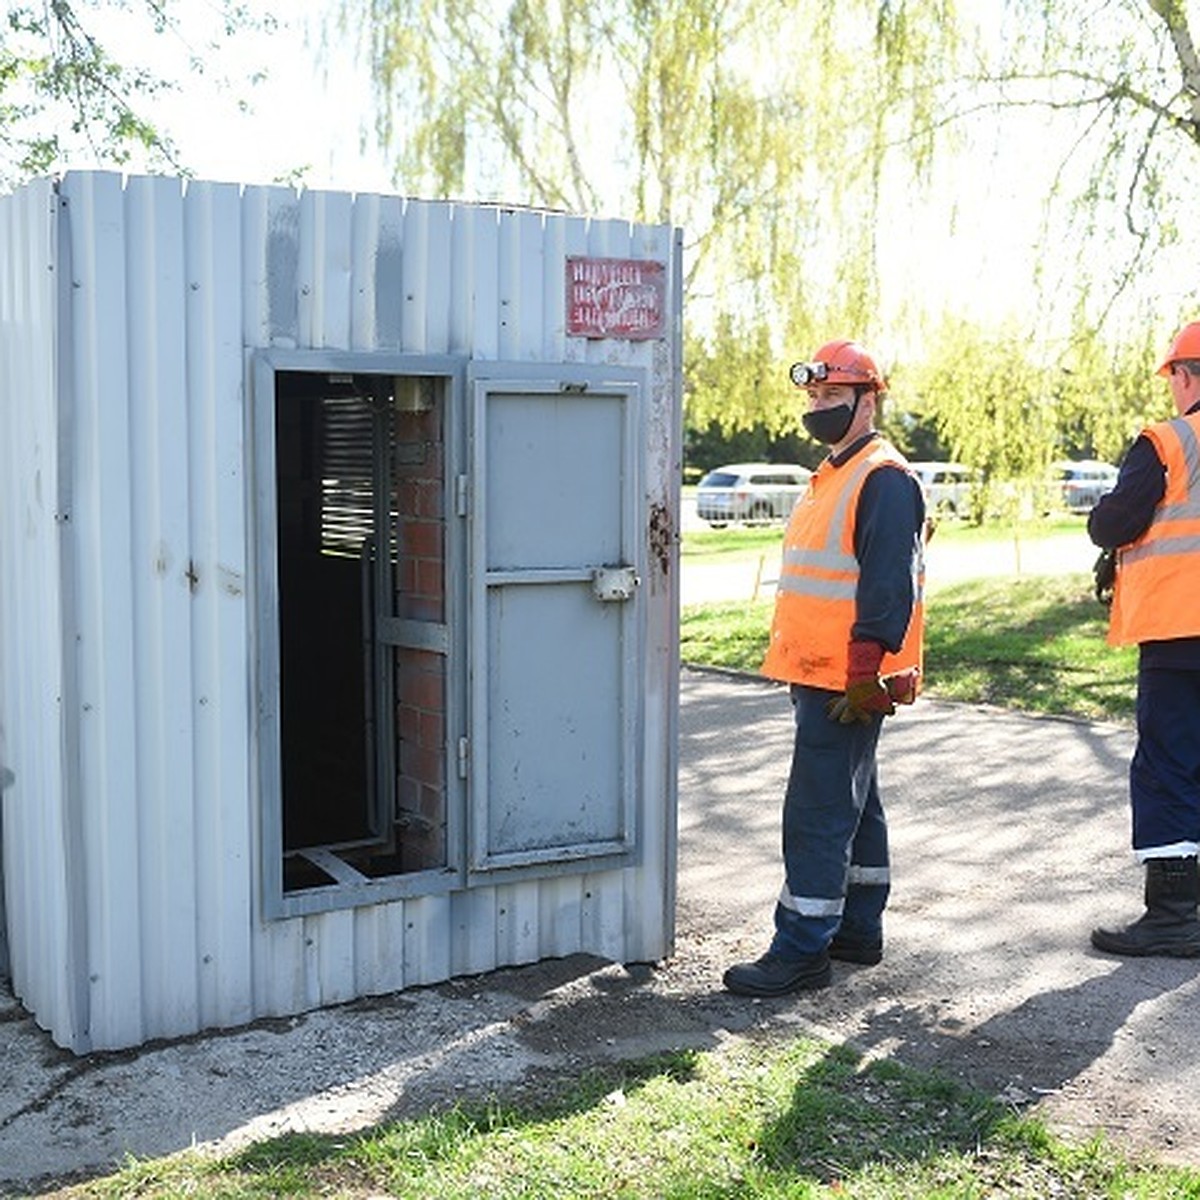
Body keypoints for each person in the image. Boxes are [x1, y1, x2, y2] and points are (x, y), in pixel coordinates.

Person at [723, 338, 926, 996]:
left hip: (848, 674)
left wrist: (865, 669)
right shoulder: (836, 473)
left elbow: (888, 583)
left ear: (869, 400)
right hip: (822, 670)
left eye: (833, 397)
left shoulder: (883, 478)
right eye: (812, 397)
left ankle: (802, 947)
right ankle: (857, 929)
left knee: (817, 809)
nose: (819, 407)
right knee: (852, 800)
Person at [1087, 320, 1200, 958]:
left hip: (1182, 633)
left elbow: (1114, 523)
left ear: (1182, 376)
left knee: (1168, 767)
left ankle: (1174, 916)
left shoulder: (1168, 440)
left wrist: (1104, 529)